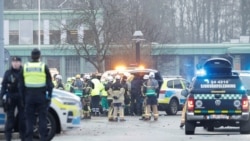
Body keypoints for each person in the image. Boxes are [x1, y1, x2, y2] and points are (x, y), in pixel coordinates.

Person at [19, 48, 54, 141]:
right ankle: (43, 138)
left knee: (29, 120)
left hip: (29, 97)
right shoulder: (43, 66)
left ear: (31, 56)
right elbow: (50, 84)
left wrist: (23, 99)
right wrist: (49, 96)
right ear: (39, 56)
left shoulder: (25, 67)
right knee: (42, 118)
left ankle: (29, 138)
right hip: (41, 97)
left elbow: (21, 85)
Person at [0, 56, 25, 141]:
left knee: (22, 118)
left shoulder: (24, 72)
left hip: (21, 97)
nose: (15, 63)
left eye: (17, 62)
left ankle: (23, 137)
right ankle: (8, 138)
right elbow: (3, 86)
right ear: (11, 63)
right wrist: (1, 97)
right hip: (11, 96)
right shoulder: (8, 73)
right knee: (10, 118)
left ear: (20, 63)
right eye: (14, 62)